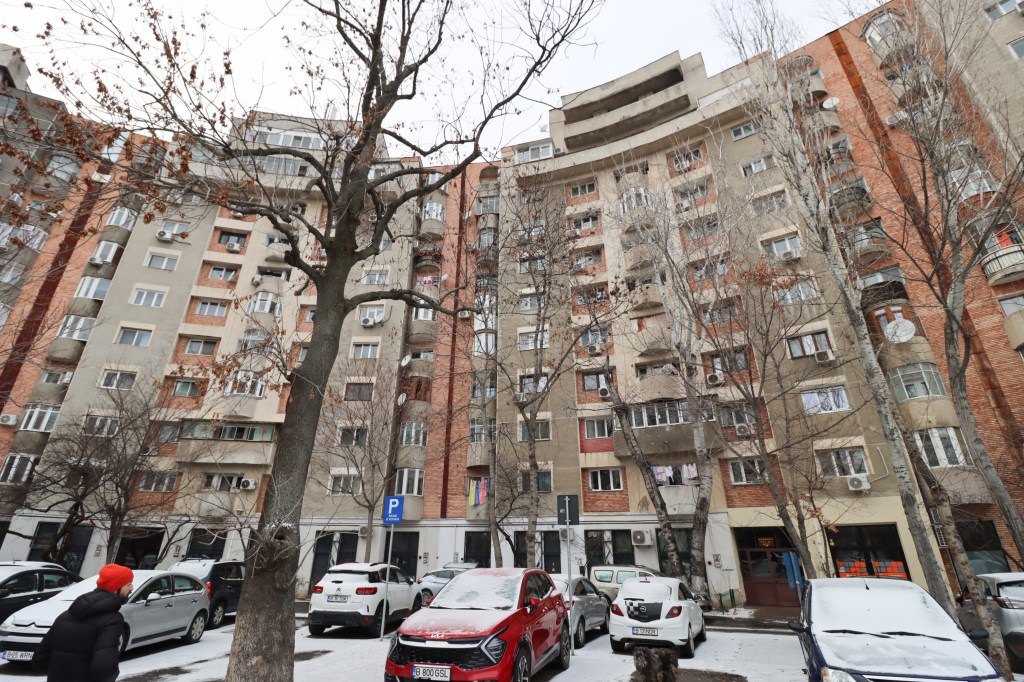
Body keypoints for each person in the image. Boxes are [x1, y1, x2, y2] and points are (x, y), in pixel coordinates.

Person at [32, 563, 135, 682]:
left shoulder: (65, 616)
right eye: (128, 584)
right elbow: (104, 667)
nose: (132, 588)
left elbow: (39, 660)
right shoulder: (112, 620)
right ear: (116, 587)